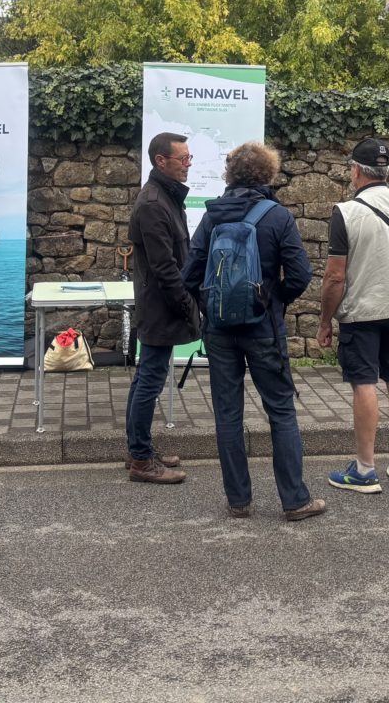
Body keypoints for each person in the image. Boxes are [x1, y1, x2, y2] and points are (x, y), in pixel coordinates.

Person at [182, 142, 326, 522]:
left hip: (219, 331)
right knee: (280, 410)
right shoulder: (277, 217)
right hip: (264, 328)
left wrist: (210, 305)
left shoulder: (213, 216)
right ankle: (295, 501)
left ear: (230, 175)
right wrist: (272, 300)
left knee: (227, 414)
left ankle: (238, 501)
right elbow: (301, 275)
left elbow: (189, 274)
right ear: (269, 174)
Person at [317, 137, 389, 493]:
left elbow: (336, 276)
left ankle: (365, 469)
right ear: (386, 171)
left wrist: (324, 321)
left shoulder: (346, 212)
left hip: (362, 312)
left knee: (365, 383)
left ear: (355, 171)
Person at [125, 132, 201, 484]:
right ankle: (141, 460)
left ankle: (138, 450)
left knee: (145, 378)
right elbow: (165, 267)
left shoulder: (164, 198)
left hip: (159, 305)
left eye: (188, 157)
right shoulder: (155, 203)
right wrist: (188, 306)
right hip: (160, 308)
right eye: (183, 158)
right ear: (161, 161)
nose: (188, 163)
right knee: (150, 381)